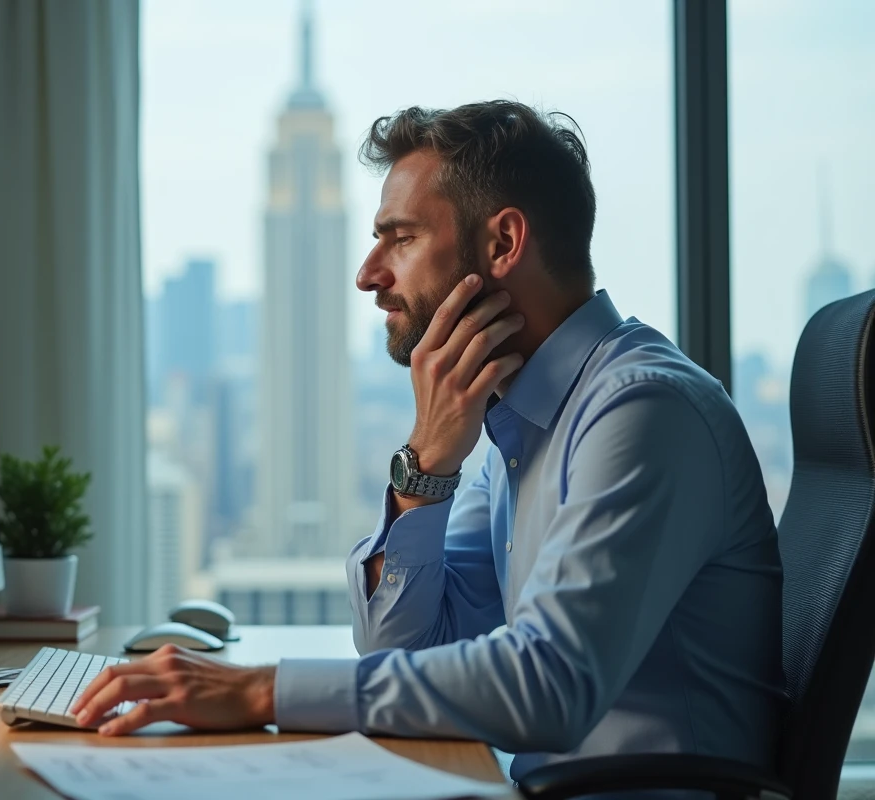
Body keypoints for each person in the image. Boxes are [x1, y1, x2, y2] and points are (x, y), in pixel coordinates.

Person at [72, 100, 785, 786]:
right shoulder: (514, 419)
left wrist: (262, 691)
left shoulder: (641, 411)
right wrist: (427, 464)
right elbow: (402, 646)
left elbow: (549, 688)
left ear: (503, 243)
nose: (369, 273)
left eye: (401, 237)